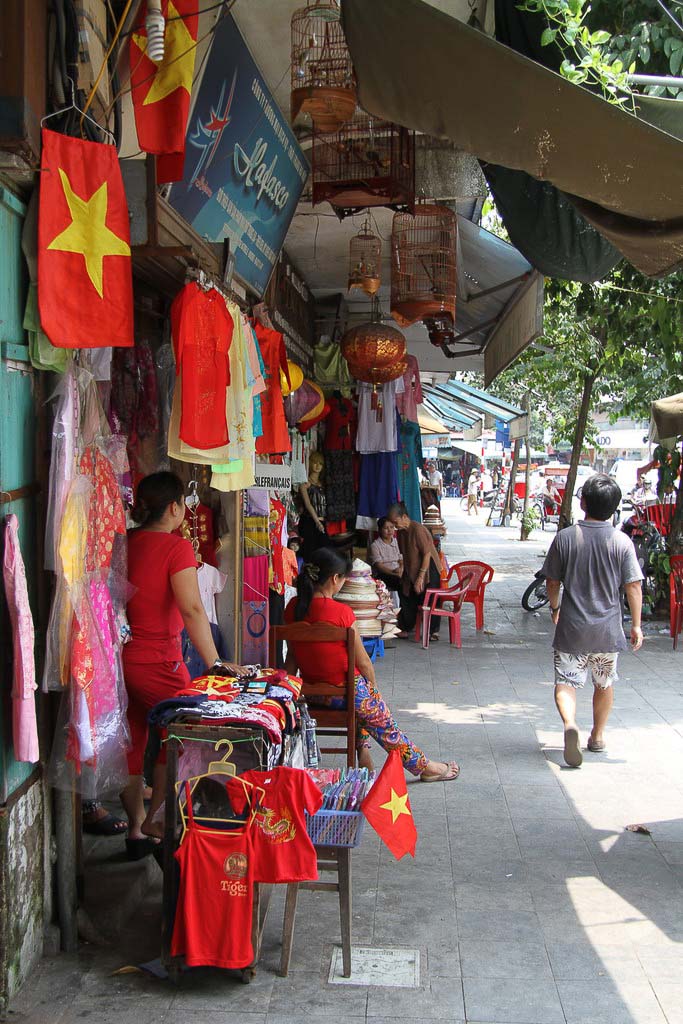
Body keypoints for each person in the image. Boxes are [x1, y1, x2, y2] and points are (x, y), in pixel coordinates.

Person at [121, 472, 240, 855]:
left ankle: (136, 830)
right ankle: (157, 818)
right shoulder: (176, 548)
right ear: (174, 507)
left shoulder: (125, 541)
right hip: (159, 661)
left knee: (134, 741)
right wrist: (215, 662)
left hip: (123, 659)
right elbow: (192, 608)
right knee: (183, 731)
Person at [284, 547, 459, 781]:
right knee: (382, 719)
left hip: (311, 693)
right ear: (335, 579)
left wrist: (289, 693)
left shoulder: (292, 608)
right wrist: (375, 692)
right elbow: (364, 663)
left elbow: (292, 658)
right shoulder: (342, 613)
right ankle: (424, 767)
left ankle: (363, 750)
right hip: (345, 693)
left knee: (365, 700)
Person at [542, 474, 643, 768]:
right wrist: (636, 625)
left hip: (572, 627)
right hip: (607, 630)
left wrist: (555, 607)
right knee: (604, 682)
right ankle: (597, 736)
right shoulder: (622, 542)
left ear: (583, 502)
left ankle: (570, 724)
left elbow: (552, 581)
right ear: (614, 507)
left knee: (566, 681)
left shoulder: (565, 538)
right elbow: (633, 586)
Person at [386, 501, 442, 641]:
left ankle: (433, 631)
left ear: (404, 517)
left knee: (429, 597)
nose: (394, 526)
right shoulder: (401, 533)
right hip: (413, 568)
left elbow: (427, 554)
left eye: (395, 522)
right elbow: (405, 554)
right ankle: (405, 627)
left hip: (428, 568)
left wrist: (420, 577)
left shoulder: (418, 530)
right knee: (405, 592)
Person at [369, 516, 403, 591]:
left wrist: (401, 569)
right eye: (386, 528)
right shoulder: (375, 545)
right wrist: (393, 572)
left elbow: (401, 560)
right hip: (384, 574)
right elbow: (379, 566)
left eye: (391, 527)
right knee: (398, 581)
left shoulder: (397, 542)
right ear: (380, 530)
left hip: (398, 571)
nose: (389, 530)